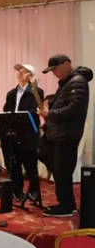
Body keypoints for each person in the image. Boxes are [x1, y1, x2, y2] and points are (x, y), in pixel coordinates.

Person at [40, 55, 93, 216]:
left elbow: (74, 109)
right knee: (59, 170)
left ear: (67, 64)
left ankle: (66, 206)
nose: (54, 73)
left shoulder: (77, 81)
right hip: (59, 134)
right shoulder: (68, 82)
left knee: (62, 172)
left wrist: (50, 114)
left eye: (55, 69)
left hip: (66, 135)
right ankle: (65, 204)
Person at [2, 63, 44, 203]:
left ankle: (34, 192)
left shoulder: (37, 91)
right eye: (19, 71)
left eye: (24, 72)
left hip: (28, 134)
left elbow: (33, 111)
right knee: (14, 166)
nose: (19, 74)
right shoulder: (11, 93)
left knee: (30, 166)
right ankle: (16, 191)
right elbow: (6, 110)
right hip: (14, 134)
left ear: (30, 75)